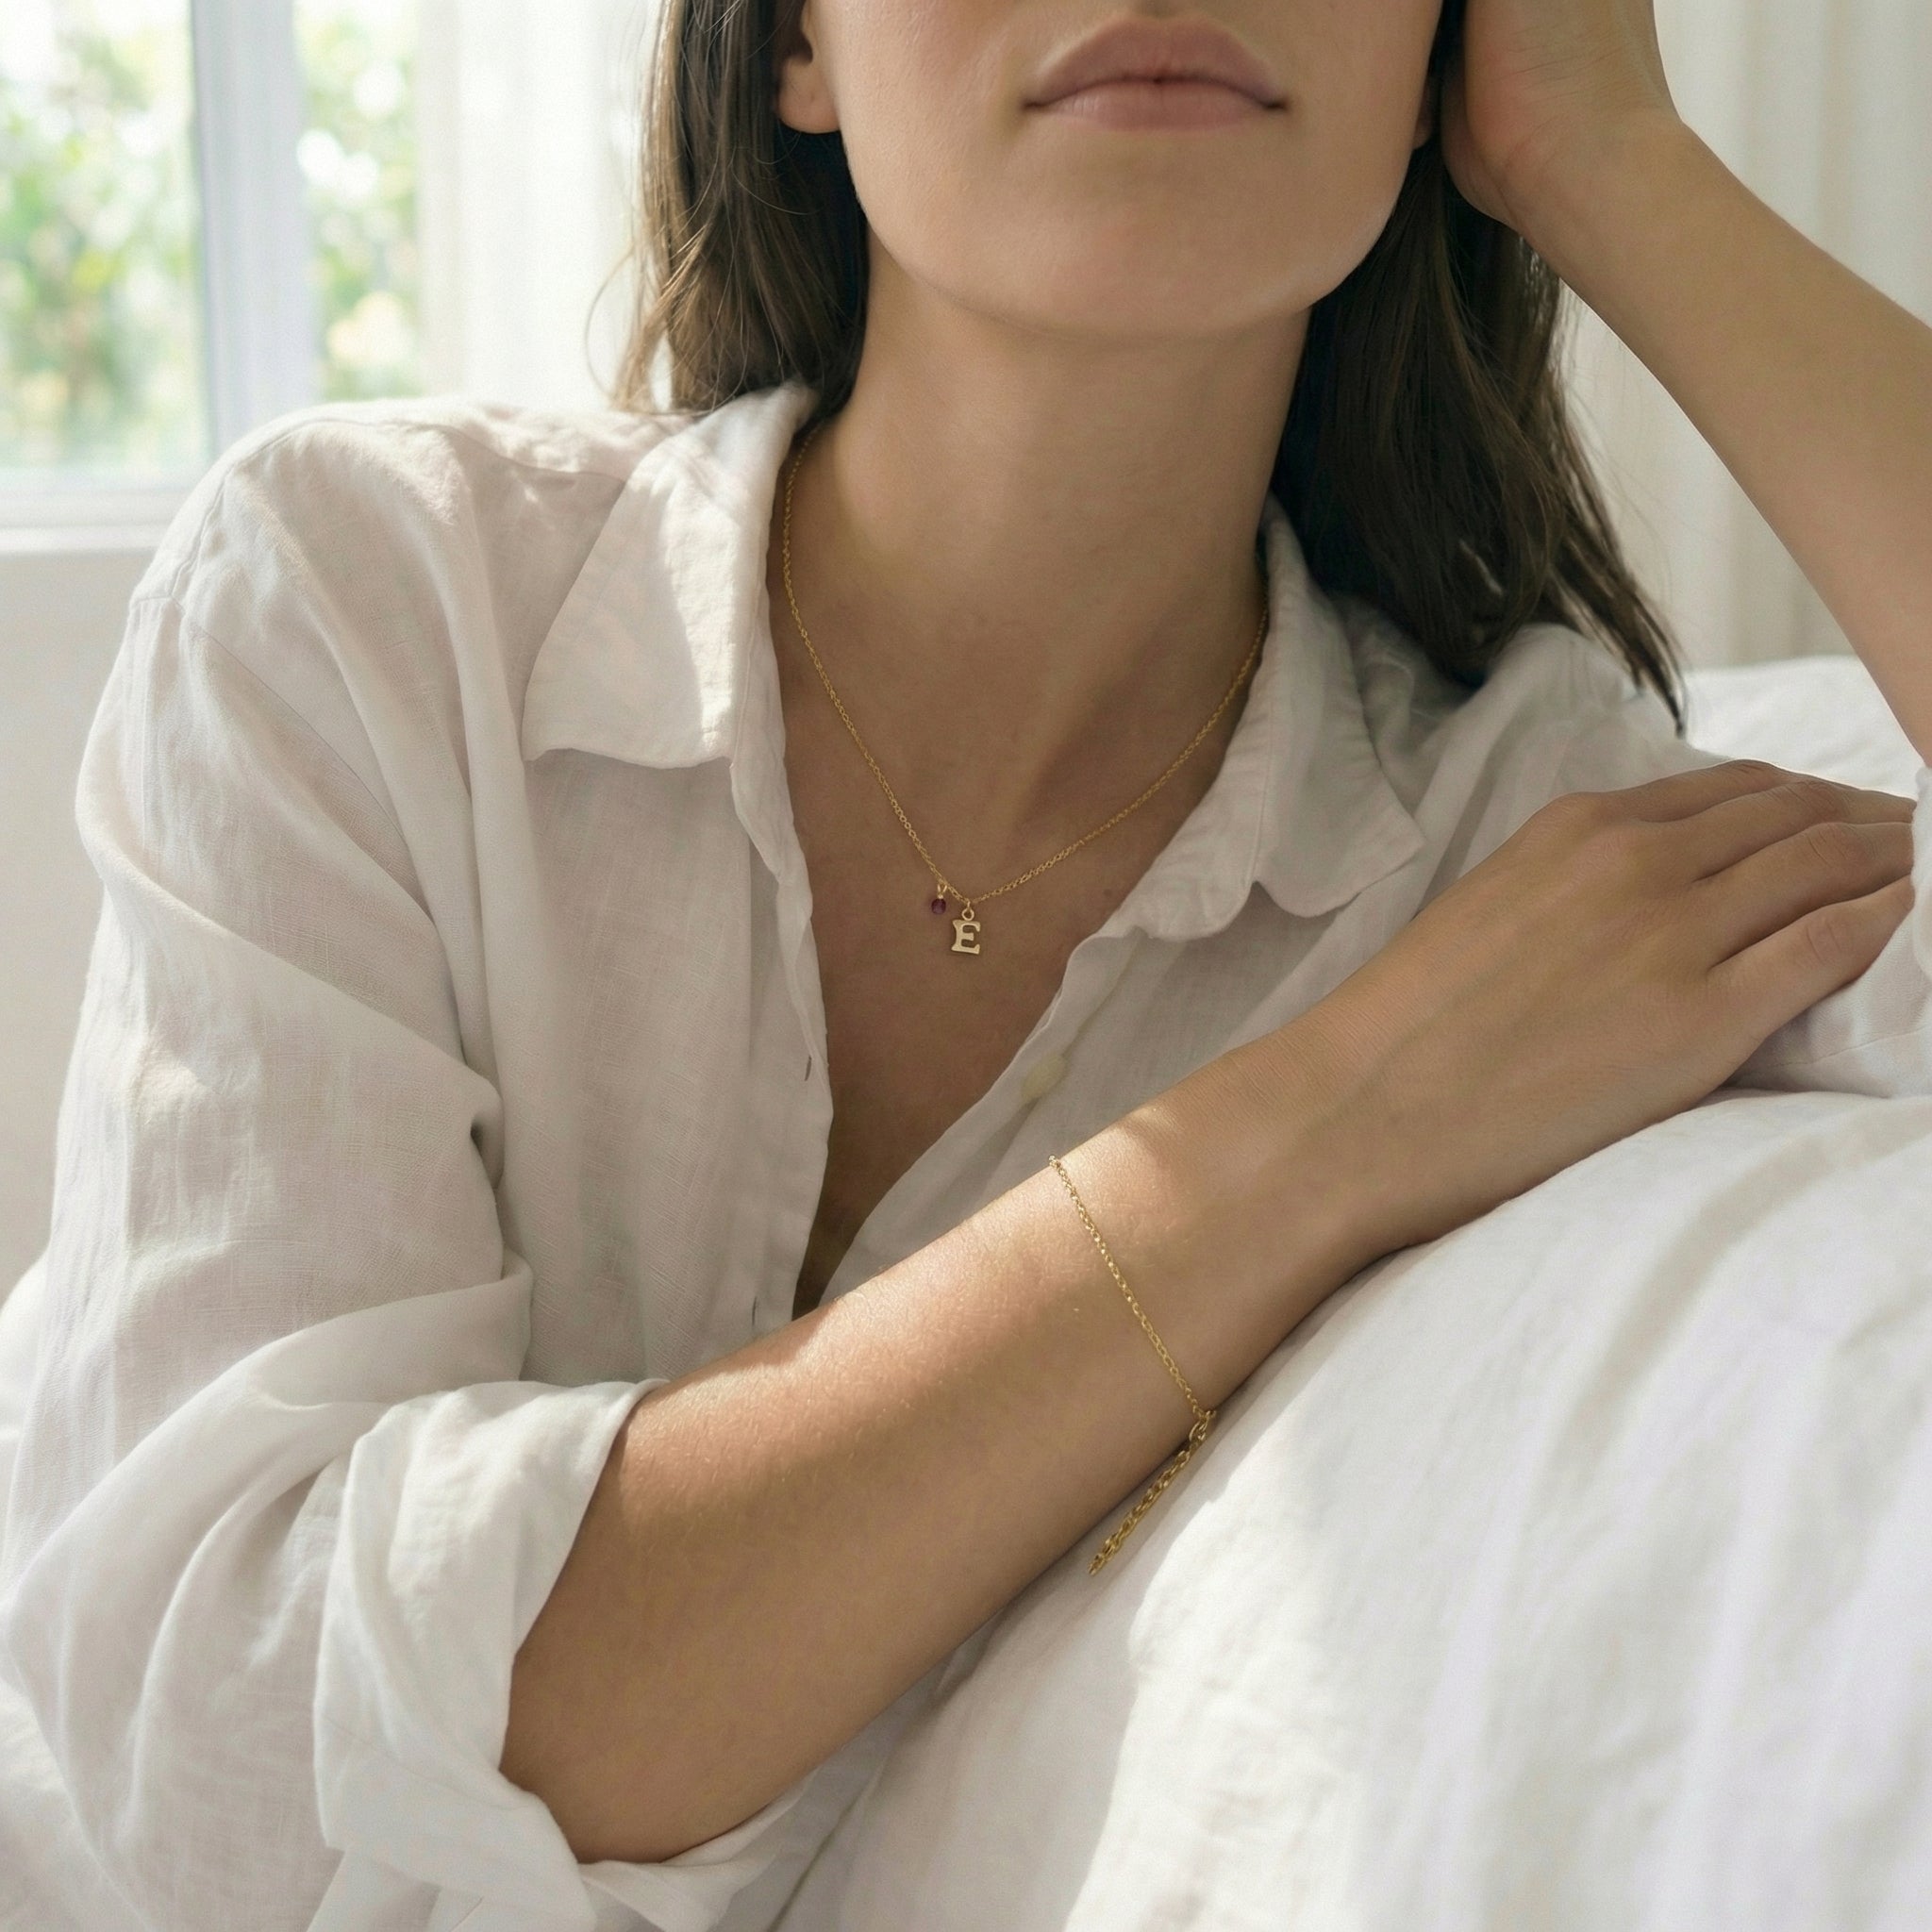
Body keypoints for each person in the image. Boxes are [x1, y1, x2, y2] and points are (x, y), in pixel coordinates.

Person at [1, 1, 1927, 1927]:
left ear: (1436, 62)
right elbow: (224, 1757)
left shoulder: (1520, 836)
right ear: (796, 52)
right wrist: (1328, 1123)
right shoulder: (364, 599)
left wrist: (1615, 163)